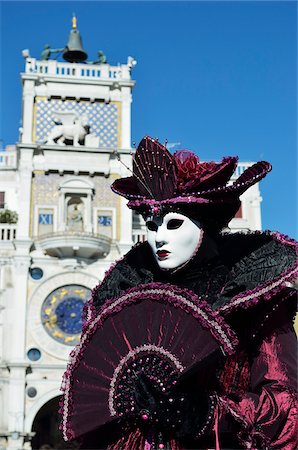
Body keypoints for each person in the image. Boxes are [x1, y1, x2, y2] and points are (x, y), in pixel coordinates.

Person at [60, 136, 297, 450]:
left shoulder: (253, 305)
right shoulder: (129, 296)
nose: (159, 237)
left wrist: (205, 414)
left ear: (204, 227)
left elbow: (286, 405)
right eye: (152, 224)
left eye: (173, 224)